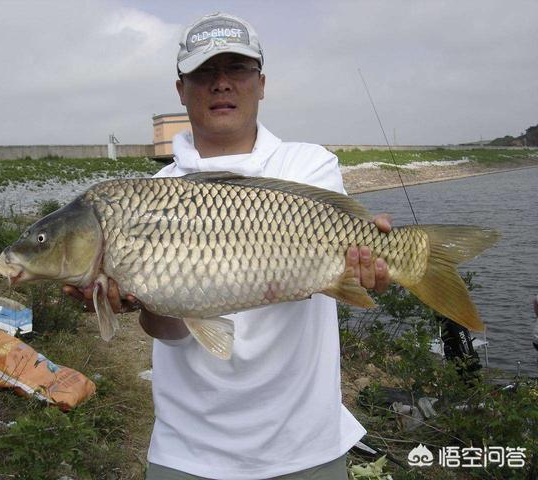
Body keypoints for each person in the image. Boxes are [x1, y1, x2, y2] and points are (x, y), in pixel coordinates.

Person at [65, 12, 391, 479]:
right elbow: (171, 331)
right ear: (181, 89)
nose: (221, 84)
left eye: (236, 70)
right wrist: (140, 300)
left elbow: (332, 273)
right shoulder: (148, 196)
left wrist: (361, 271)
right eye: (204, 73)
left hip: (304, 444)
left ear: (260, 83)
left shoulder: (308, 165)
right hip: (189, 449)